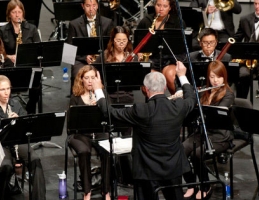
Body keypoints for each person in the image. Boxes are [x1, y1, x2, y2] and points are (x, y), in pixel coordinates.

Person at [92, 61, 196, 200]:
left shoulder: (140, 110)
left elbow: (109, 113)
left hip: (147, 169)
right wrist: (182, 76)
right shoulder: (178, 106)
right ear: (165, 87)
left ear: (145, 89)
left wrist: (98, 89)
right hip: (173, 166)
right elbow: (191, 97)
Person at [0, 75, 46, 200]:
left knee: (35, 160)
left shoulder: (16, 104)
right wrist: (6, 128)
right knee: (6, 165)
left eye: (8, 89)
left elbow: (27, 126)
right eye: (2, 89)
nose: (6, 93)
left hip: (16, 141)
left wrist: (19, 121)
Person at [182, 60, 234, 199]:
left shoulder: (228, 94)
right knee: (181, 150)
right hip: (202, 132)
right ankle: (191, 184)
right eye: (212, 77)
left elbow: (219, 111)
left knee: (197, 154)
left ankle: (206, 186)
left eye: (218, 76)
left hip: (220, 136)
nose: (215, 80)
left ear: (224, 76)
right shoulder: (204, 92)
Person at [69, 65, 110, 200]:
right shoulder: (75, 97)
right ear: (82, 80)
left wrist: (98, 108)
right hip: (80, 133)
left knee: (107, 150)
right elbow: (72, 124)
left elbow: (108, 118)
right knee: (84, 152)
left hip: (98, 131)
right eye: (87, 78)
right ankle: (87, 192)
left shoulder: (102, 96)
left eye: (93, 77)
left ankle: (106, 190)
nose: (90, 81)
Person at [0, 0, 41, 114]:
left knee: (36, 84)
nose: (17, 15)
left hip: (28, 63)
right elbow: (0, 51)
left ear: (23, 13)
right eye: (14, 12)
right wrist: (9, 56)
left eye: (19, 12)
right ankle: (10, 110)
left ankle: (30, 110)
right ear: (9, 14)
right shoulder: (3, 30)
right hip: (11, 64)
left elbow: (38, 48)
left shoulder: (32, 28)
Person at [136, 0, 186, 94]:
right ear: (155, 5)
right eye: (158, 5)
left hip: (170, 59)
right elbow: (138, 42)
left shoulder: (177, 22)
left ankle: (177, 100)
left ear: (170, 7)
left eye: (165, 6)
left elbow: (181, 46)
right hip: (152, 59)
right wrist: (140, 54)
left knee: (170, 76)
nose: (161, 9)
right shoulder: (146, 21)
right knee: (149, 82)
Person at [66, 0, 114, 80]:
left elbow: (111, 46)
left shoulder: (107, 22)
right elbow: (68, 52)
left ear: (97, 6)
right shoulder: (74, 24)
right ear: (83, 6)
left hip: (102, 59)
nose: (91, 9)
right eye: (88, 6)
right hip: (81, 61)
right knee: (79, 75)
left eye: (94, 5)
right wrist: (84, 57)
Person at [233, 0, 259, 110]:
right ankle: (240, 109)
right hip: (247, 60)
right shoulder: (244, 19)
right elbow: (237, 38)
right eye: (255, 4)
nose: (256, 6)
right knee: (242, 75)